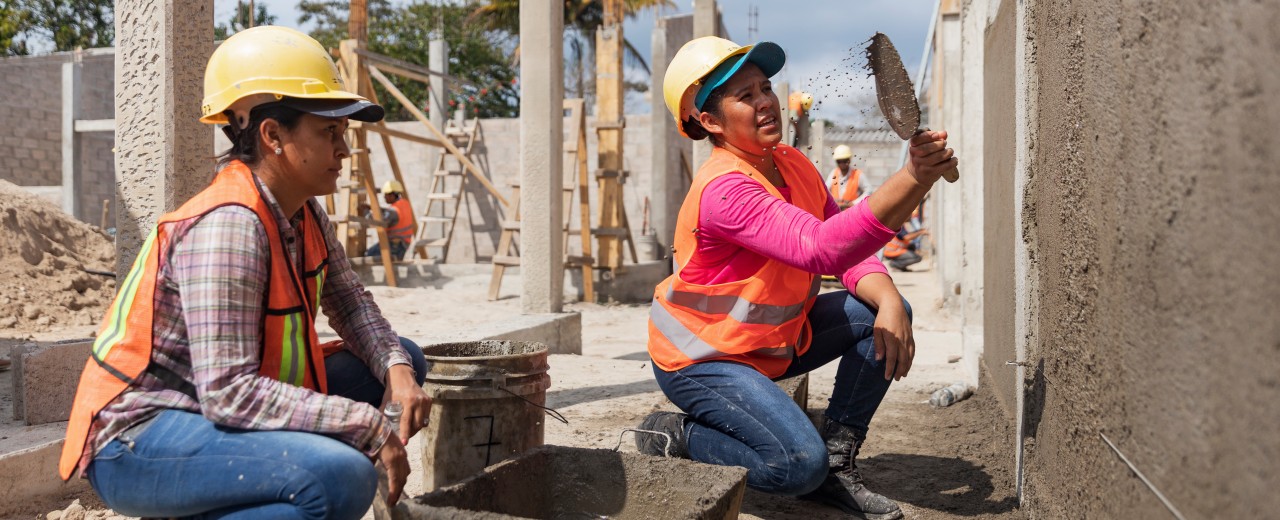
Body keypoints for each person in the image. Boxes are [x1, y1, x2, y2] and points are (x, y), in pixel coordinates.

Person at [59, 26, 432, 519]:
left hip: (218, 409)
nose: (343, 150)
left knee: (402, 360)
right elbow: (230, 392)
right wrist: (363, 425)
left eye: (342, 133)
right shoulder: (230, 224)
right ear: (273, 135)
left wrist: (398, 372)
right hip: (140, 437)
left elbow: (349, 301)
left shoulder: (304, 211)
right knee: (340, 477)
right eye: (329, 132)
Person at [636, 36, 957, 520]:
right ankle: (676, 434)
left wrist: (888, 296)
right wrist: (912, 177)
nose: (765, 100)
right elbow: (821, 247)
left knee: (881, 313)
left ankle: (839, 465)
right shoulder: (724, 190)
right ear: (709, 121)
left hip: (771, 345)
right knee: (796, 465)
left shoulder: (795, 164)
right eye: (744, 97)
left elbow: (849, 254)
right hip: (702, 358)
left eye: (765, 87)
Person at [361, 179, 417, 260]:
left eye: (386, 194)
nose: (384, 197)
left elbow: (375, 223)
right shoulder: (405, 204)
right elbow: (391, 212)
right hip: (403, 245)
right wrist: (372, 208)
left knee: (368, 255)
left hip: (395, 246)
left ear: (392, 195)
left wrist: (365, 211)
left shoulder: (393, 211)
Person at [827, 144, 864, 210]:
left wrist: (854, 203)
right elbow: (825, 190)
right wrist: (832, 201)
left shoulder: (858, 174)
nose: (842, 164)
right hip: (837, 212)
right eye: (839, 161)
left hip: (852, 212)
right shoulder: (833, 173)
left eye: (844, 161)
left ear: (849, 160)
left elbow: (869, 191)